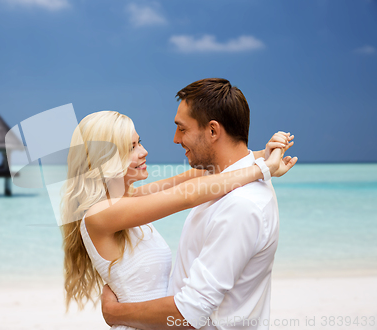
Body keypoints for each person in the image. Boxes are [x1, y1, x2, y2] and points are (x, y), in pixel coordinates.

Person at [99, 78, 296, 330]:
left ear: (213, 131)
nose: (175, 139)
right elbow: (172, 188)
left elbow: (190, 313)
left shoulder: (240, 205)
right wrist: (260, 161)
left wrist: (116, 314)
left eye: (182, 129)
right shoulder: (220, 183)